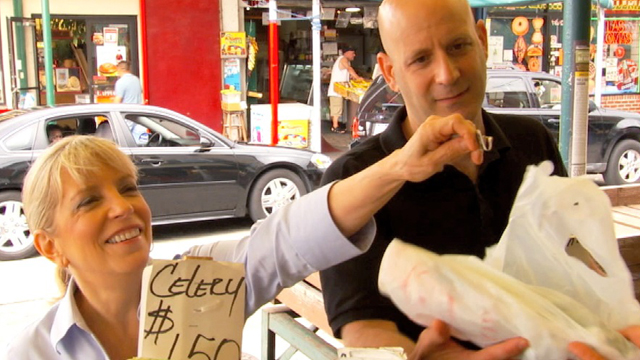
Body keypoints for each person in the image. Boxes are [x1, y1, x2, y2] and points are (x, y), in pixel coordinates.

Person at [317, 0, 640, 359]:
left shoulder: (532, 140)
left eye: (458, 46)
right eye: (421, 59)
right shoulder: (353, 181)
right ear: (390, 71)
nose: (447, 73)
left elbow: (575, 261)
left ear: (483, 41)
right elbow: (362, 325)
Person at [4, 120, 486, 360]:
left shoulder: (197, 281)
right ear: (49, 245)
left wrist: (400, 165)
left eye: (128, 187)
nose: (122, 207)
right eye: (89, 201)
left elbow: (291, 237)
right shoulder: (34, 349)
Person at [327, 46, 363, 133]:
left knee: (338, 107)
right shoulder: (343, 59)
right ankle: (335, 126)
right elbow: (349, 69)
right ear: (347, 53)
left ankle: (336, 125)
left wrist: (352, 78)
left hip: (340, 89)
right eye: (352, 53)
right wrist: (357, 78)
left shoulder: (344, 60)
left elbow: (346, 73)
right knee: (336, 107)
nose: (354, 55)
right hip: (336, 90)